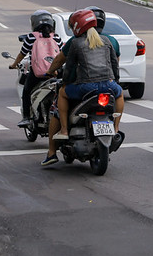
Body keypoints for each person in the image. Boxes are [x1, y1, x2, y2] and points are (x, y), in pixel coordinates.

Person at [41, 9, 123, 167]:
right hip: (108, 85)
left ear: (77, 26)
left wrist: (65, 83)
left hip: (86, 87)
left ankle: (64, 130)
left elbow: (69, 67)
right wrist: (115, 82)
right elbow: (115, 65)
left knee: (62, 93)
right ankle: (116, 126)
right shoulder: (106, 40)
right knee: (118, 94)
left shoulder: (76, 43)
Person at [8, 10, 63, 128]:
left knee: (26, 91)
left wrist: (14, 65)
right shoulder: (56, 37)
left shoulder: (31, 37)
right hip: (55, 72)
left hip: (37, 73)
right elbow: (62, 55)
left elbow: (22, 54)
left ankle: (26, 117)